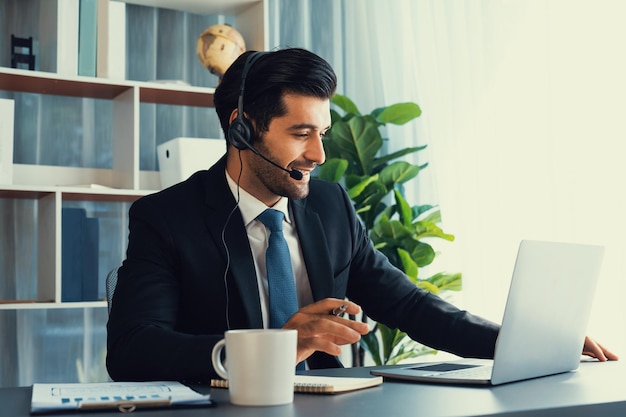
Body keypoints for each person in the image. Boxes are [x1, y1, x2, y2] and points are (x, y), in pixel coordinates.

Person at [106, 47, 617, 383]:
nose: (319, 157)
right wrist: (271, 350)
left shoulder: (330, 207)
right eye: (301, 134)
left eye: (321, 134)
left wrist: (521, 342)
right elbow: (131, 349)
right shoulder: (165, 217)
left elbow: (409, 306)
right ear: (242, 128)